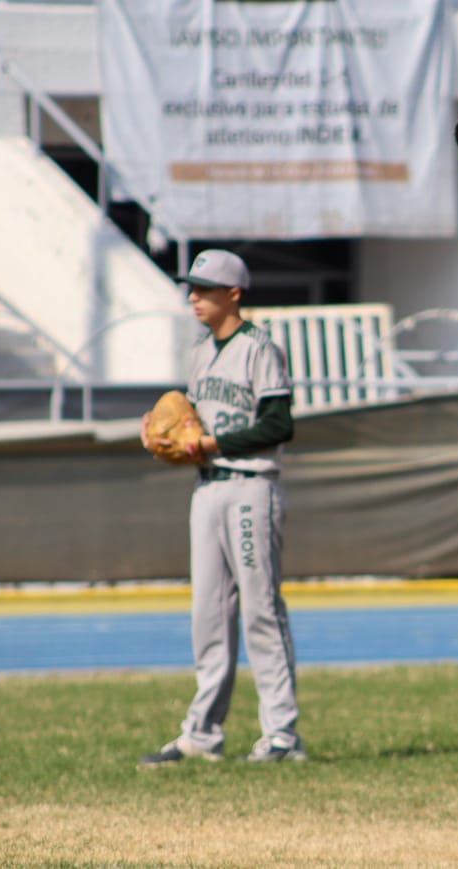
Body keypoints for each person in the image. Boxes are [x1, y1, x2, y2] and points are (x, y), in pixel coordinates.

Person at [138, 248, 305, 766]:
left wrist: (212, 443)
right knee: (208, 614)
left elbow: (279, 424)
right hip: (207, 488)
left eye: (205, 289)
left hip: (251, 487)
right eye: (192, 288)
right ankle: (202, 735)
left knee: (261, 610)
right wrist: (164, 436)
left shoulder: (260, 348)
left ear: (234, 294)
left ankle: (282, 735)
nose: (194, 297)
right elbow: (192, 422)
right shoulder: (199, 352)